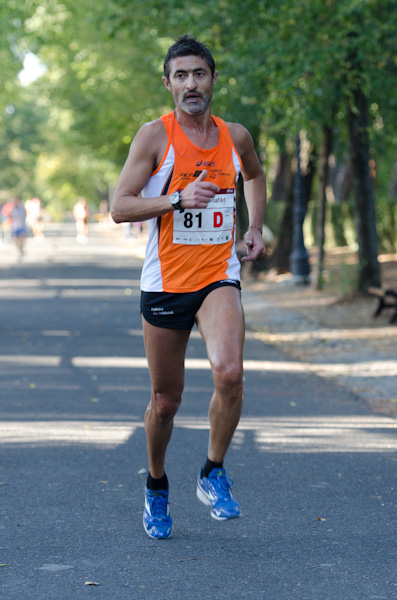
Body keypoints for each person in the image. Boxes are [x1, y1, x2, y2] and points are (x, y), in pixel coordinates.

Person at [111, 35, 266, 539]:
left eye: (199, 73)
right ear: (168, 84)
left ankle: (212, 470)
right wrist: (177, 198)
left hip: (218, 274)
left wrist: (255, 227)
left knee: (231, 372)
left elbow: (255, 177)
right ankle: (156, 485)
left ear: (214, 78)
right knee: (166, 400)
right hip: (165, 284)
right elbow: (120, 206)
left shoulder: (235, 136)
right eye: (181, 75)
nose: (191, 84)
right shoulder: (154, 137)